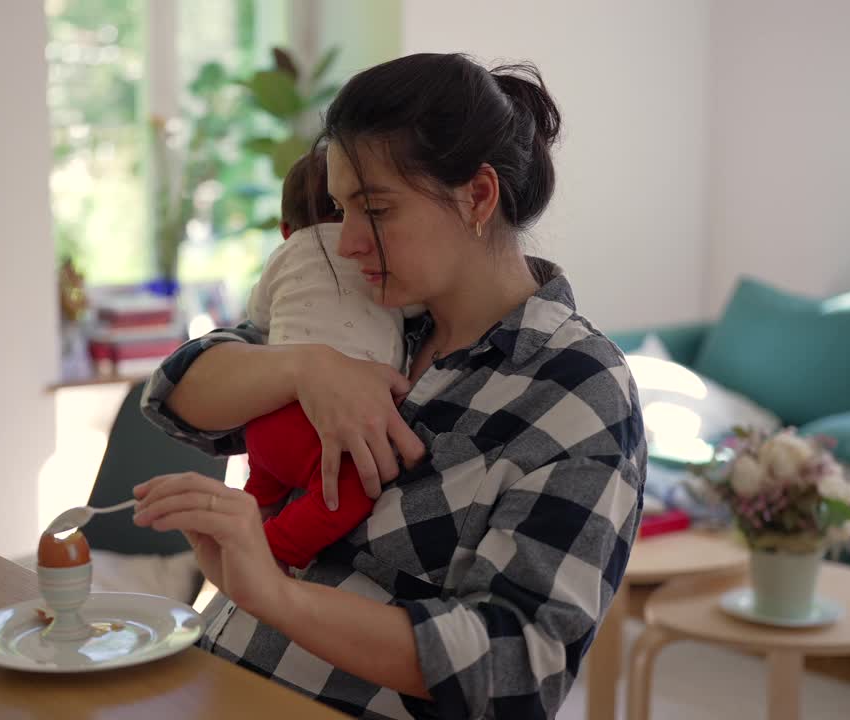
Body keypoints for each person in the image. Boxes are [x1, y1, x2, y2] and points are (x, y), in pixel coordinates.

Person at [133, 53, 646, 719]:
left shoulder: (576, 389)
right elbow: (176, 397)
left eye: (374, 209)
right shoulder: (371, 313)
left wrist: (276, 593)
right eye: (341, 208)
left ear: (478, 196)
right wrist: (304, 367)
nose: (345, 242)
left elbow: (517, 667)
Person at [245, 148, 420, 570]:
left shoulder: (284, 255)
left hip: (264, 416)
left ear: (286, 229)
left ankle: (248, 521)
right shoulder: (376, 263)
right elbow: (414, 309)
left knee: (263, 485)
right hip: (322, 432)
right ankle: (273, 549)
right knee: (356, 489)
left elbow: (257, 317)